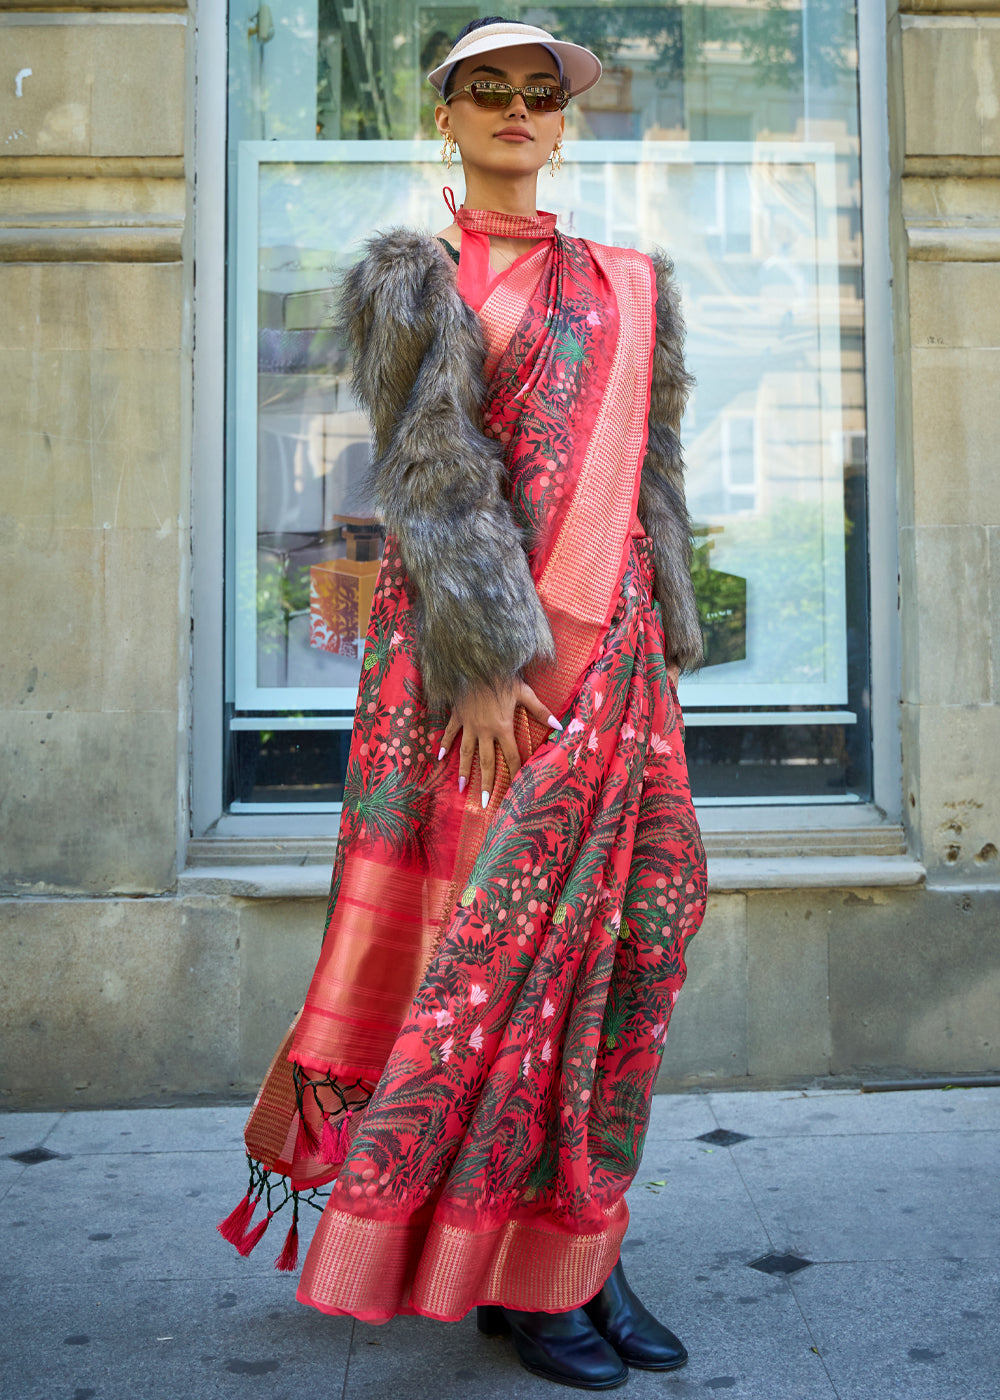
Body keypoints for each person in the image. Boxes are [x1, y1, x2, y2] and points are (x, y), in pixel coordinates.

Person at [219, 17, 708, 1391]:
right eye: (485, 90)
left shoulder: (630, 279)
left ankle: (578, 1246)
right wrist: (489, 663)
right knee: (496, 981)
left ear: (565, 122)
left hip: (615, 676)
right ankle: (518, 1277)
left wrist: (656, 641)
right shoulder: (414, 277)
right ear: (446, 115)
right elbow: (430, 477)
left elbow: (652, 477)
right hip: (480, 679)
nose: (513, 110)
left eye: (536, 94)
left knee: (629, 956)